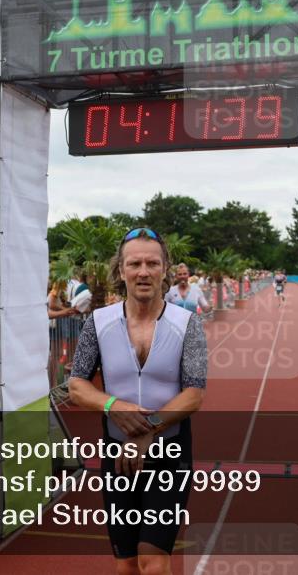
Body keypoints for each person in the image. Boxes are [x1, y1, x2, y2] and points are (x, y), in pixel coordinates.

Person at [69, 228, 207, 574]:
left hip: (170, 452)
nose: (143, 271)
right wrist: (117, 407)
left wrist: (150, 430)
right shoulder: (97, 323)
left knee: (154, 561)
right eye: (134, 264)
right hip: (117, 454)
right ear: (121, 270)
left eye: (152, 263)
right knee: (126, 564)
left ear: (165, 269)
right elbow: (76, 386)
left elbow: (194, 394)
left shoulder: (188, 323)